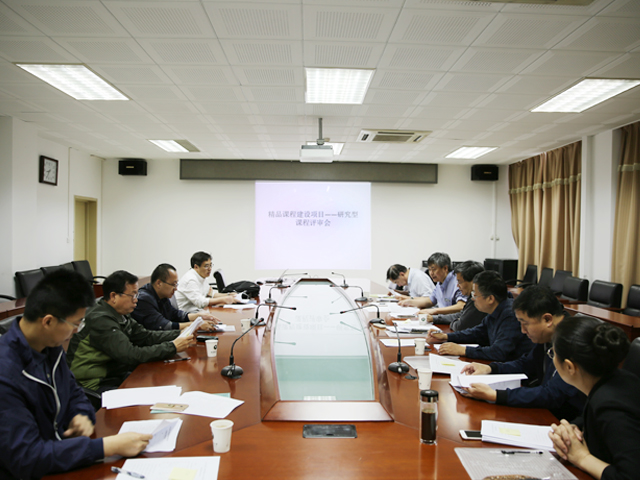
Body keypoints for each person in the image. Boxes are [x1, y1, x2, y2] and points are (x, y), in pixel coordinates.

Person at [0, 270, 152, 479]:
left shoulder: (50, 346)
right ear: (48, 321)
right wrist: (106, 447)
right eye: (76, 323)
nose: (77, 331)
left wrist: (80, 414)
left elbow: (75, 392)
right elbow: (26, 457)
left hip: (64, 457)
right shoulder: (6, 373)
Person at [460, 285, 585, 421]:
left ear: (547, 319)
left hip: (568, 422)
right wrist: (490, 368)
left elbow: (553, 394)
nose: (523, 331)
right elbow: (526, 364)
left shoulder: (574, 341)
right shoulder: (549, 335)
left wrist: (496, 395)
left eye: (525, 323)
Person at [67, 270, 194, 393]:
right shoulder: (101, 319)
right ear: (113, 296)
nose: (136, 300)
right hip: (94, 384)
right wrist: (172, 347)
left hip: (115, 375)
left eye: (136, 295)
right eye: (132, 295)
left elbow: (145, 336)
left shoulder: (120, 312)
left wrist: (180, 333)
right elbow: (131, 355)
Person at [548, 317, 640, 480]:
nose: (553, 358)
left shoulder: (609, 406)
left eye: (553, 353)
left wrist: (581, 457)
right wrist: (573, 430)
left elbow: (630, 476)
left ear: (569, 367)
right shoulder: (617, 379)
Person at [427, 270, 533, 361]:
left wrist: (463, 350)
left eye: (475, 295)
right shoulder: (495, 310)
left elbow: (499, 352)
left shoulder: (510, 315)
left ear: (490, 299)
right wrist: (446, 337)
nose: (473, 299)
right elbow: (477, 333)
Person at [132, 263, 220, 331]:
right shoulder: (144, 300)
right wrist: (196, 325)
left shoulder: (161, 294)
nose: (176, 289)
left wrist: (197, 316)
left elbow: (174, 314)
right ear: (159, 283)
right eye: (173, 285)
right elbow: (164, 325)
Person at [399, 252, 465, 315]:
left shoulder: (457, 282)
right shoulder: (440, 282)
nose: (431, 273)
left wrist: (435, 311)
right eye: (429, 270)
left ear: (445, 268)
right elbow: (430, 300)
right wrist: (410, 302)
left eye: (434, 269)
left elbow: (461, 306)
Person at [429, 261, 485, 332]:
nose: (458, 286)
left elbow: (460, 326)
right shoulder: (471, 297)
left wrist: (455, 322)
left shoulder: (479, 300)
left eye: (460, 282)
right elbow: (461, 315)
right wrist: (434, 318)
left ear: (473, 282)